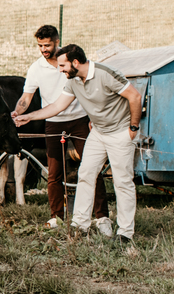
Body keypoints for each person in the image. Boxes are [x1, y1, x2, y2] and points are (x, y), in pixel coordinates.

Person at [12, 44, 143, 243]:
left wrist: (133, 128)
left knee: (122, 181)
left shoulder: (105, 74)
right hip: (98, 133)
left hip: (120, 133)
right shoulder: (73, 81)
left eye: (63, 65)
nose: (60, 69)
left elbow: (135, 96)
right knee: (86, 173)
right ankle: (80, 224)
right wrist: (29, 117)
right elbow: (57, 106)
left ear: (75, 62)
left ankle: (125, 233)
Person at [12, 25, 109, 231]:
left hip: (80, 119)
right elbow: (27, 97)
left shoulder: (69, 62)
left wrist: (94, 115)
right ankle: (57, 216)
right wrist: (18, 113)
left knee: (93, 167)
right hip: (53, 121)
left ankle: (102, 217)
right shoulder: (36, 68)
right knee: (54, 173)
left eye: (47, 45)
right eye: (40, 45)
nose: (43, 49)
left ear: (57, 42)